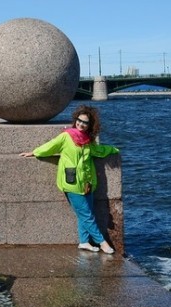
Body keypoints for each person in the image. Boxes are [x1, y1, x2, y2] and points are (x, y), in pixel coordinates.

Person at [20, 105, 119, 254]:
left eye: (85, 122)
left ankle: (84, 242)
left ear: (89, 125)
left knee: (85, 213)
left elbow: (99, 151)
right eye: (79, 120)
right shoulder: (66, 136)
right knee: (87, 215)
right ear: (75, 120)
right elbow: (51, 146)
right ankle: (102, 242)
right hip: (71, 181)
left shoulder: (88, 141)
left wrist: (114, 149)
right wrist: (34, 152)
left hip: (87, 182)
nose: (81, 124)